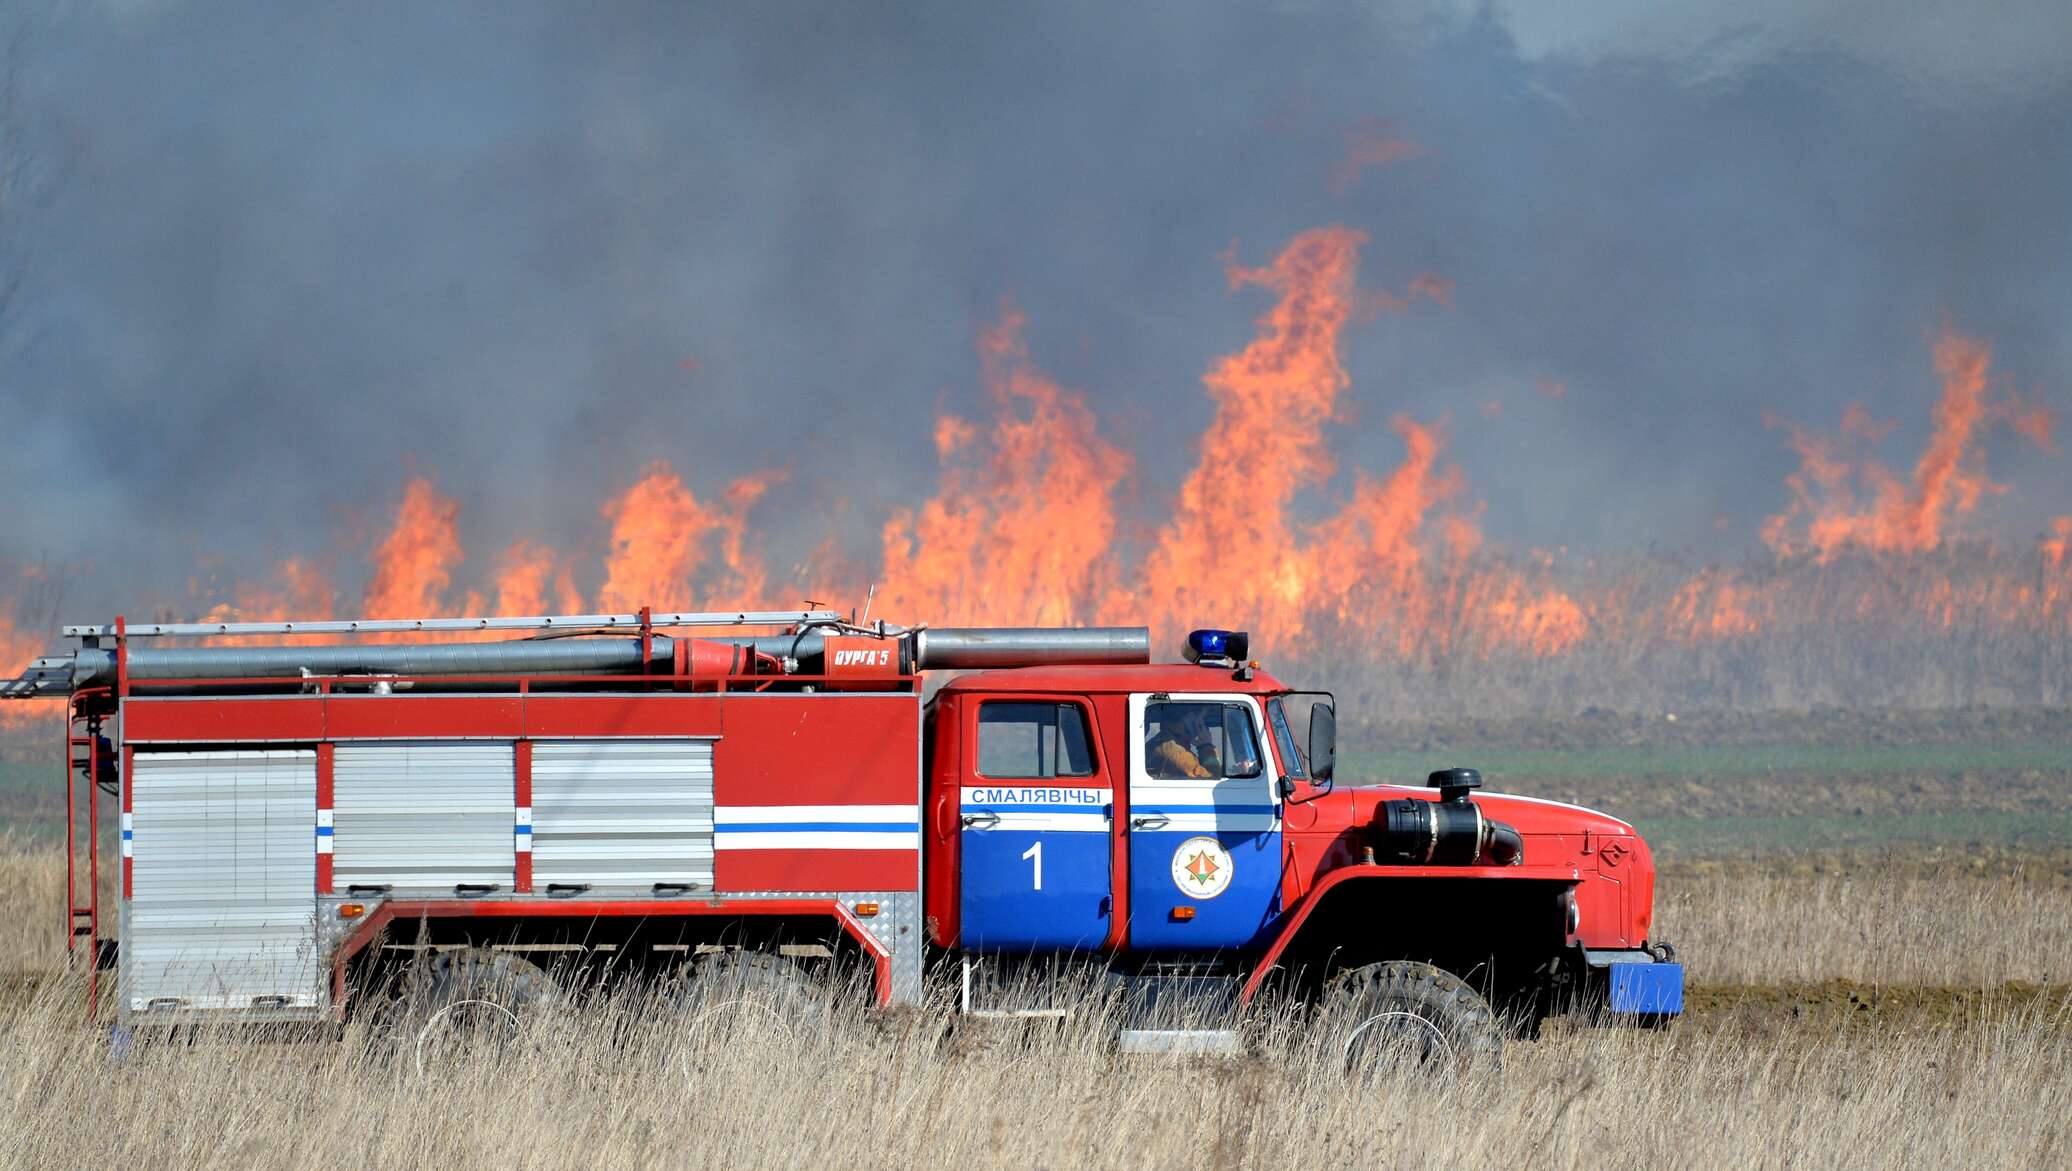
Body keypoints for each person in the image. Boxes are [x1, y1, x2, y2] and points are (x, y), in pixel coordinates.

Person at [1146, 705, 1221, 779]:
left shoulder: (1169, 743)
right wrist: (1206, 746)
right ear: (1189, 720)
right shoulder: (1169, 746)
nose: (1204, 726)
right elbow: (1211, 778)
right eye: (1202, 720)